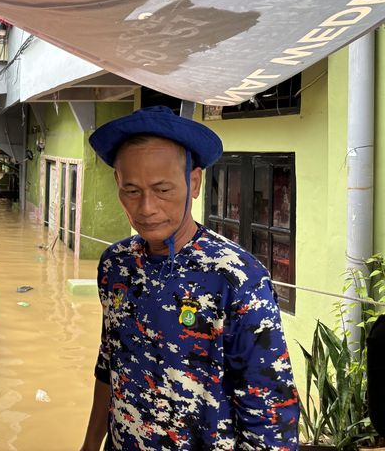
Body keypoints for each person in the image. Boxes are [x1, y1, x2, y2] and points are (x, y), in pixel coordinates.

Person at [79, 106, 299, 451]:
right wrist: (92, 442)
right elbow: (110, 361)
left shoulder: (237, 277)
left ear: (193, 182)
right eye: (132, 190)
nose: (146, 208)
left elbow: (270, 419)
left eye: (163, 189)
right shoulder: (116, 265)